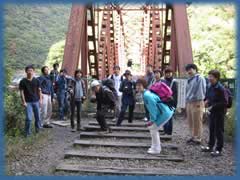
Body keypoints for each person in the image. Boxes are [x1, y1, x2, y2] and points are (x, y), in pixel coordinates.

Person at [135, 78, 174, 154]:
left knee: (153, 128)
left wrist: (152, 120)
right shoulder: (146, 93)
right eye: (136, 85)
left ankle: (156, 149)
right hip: (165, 111)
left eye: (139, 85)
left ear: (144, 86)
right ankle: (155, 147)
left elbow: (152, 108)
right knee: (153, 128)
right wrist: (152, 120)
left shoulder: (146, 95)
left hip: (165, 113)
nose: (137, 87)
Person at [201, 70, 227, 157]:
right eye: (209, 76)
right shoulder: (210, 86)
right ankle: (210, 146)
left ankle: (219, 149)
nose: (209, 78)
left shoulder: (221, 88)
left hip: (219, 112)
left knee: (218, 131)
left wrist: (213, 106)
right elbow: (208, 97)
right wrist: (206, 101)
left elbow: (224, 102)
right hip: (211, 112)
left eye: (211, 77)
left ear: (216, 78)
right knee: (211, 129)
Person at [185, 64, 206, 145]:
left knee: (197, 120)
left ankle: (198, 138)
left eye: (190, 69)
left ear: (195, 70)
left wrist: (193, 99)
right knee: (191, 120)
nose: (189, 71)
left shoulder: (199, 78)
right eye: (187, 70)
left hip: (197, 102)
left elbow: (200, 92)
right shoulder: (190, 79)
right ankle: (193, 136)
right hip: (190, 102)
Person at [19, 65, 42, 137]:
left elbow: (39, 91)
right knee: (29, 118)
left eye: (31, 70)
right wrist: (23, 101)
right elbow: (21, 92)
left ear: (33, 71)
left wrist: (40, 100)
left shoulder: (37, 80)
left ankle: (38, 130)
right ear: (26, 72)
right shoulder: (23, 81)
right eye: (28, 70)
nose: (30, 72)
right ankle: (27, 133)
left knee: (38, 117)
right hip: (28, 102)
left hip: (36, 101)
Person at [161, 68, 178, 135]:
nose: (168, 74)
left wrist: (175, 103)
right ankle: (165, 130)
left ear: (172, 73)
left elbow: (175, 93)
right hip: (164, 101)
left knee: (169, 117)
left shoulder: (174, 82)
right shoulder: (163, 81)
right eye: (167, 73)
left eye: (169, 73)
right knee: (164, 116)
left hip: (171, 102)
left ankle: (169, 132)